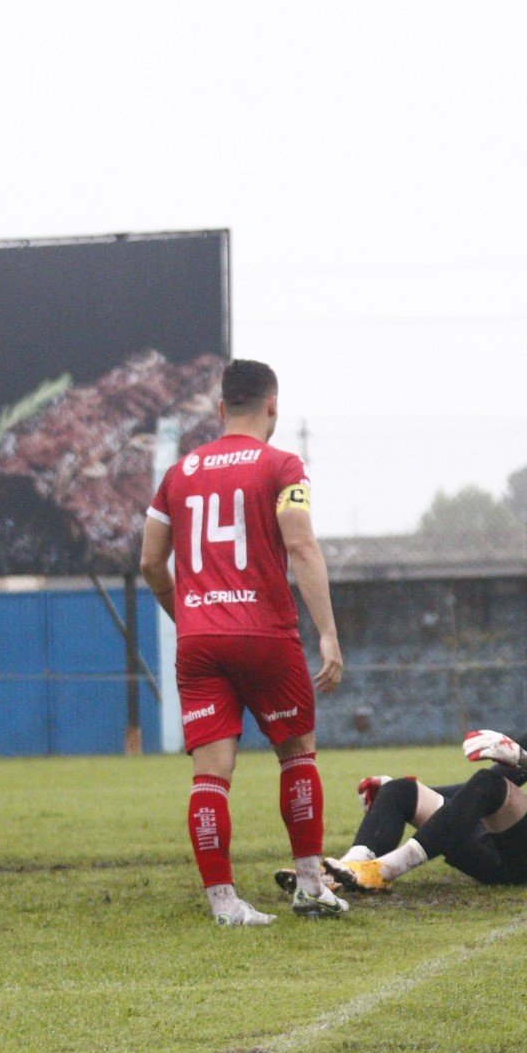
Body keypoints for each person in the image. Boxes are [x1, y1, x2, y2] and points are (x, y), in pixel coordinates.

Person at [139, 358, 349, 926]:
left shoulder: (178, 473)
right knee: (296, 753)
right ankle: (309, 884)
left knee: (211, 774)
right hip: (264, 635)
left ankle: (224, 903)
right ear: (273, 406)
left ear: (220, 408)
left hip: (200, 639)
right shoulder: (282, 465)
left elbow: (150, 562)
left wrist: (186, 615)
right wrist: (327, 633)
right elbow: (301, 546)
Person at [315, 634, 527, 892]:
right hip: (509, 855)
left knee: (489, 782)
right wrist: (390, 793)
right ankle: (343, 871)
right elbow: (474, 796)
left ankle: (384, 870)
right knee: (402, 789)